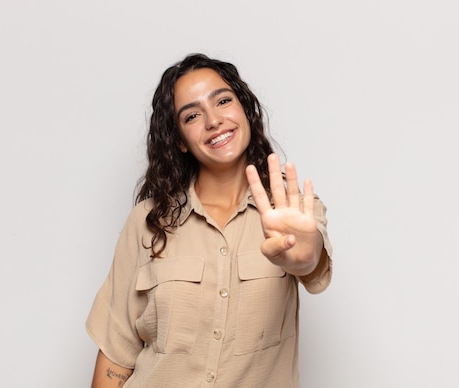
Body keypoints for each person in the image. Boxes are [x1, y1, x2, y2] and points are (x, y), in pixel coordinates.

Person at [86, 53, 333, 387]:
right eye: (191, 115)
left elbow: (311, 260)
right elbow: (117, 352)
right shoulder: (147, 222)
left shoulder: (291, 211)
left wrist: (304, 256)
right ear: (179, 140)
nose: (213, 120)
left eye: (223, 100)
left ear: (245, 109)